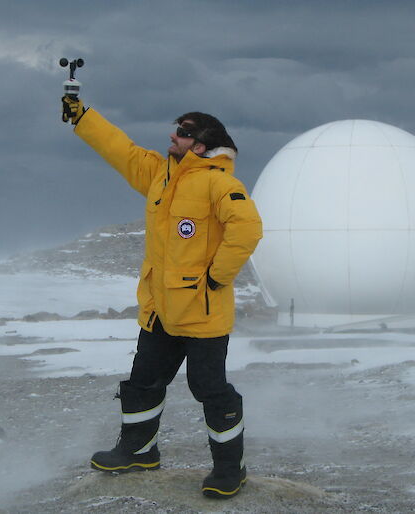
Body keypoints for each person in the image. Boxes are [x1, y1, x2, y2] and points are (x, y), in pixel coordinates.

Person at [62, 95, 263, 499]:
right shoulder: (160, 174)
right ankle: (138, 451)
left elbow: (247, 228)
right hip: (159, 310)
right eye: (177, 129)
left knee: (210, 390)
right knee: (143, 382)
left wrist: (217, 278)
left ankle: (229, 470)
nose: (174, 136)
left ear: (202, 145)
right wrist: (82, 117)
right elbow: (120, 148)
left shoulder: (220, 183)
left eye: (184, 133)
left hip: (202, 314)